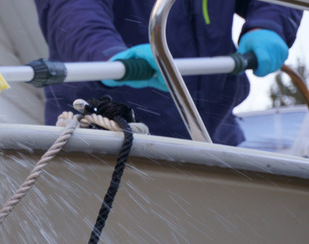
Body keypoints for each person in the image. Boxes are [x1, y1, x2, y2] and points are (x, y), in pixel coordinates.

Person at [35, 0, 302, 145]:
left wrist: (269, 25)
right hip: (101, 142)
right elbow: (73, 9)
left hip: (217, 138)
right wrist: (108, 54)